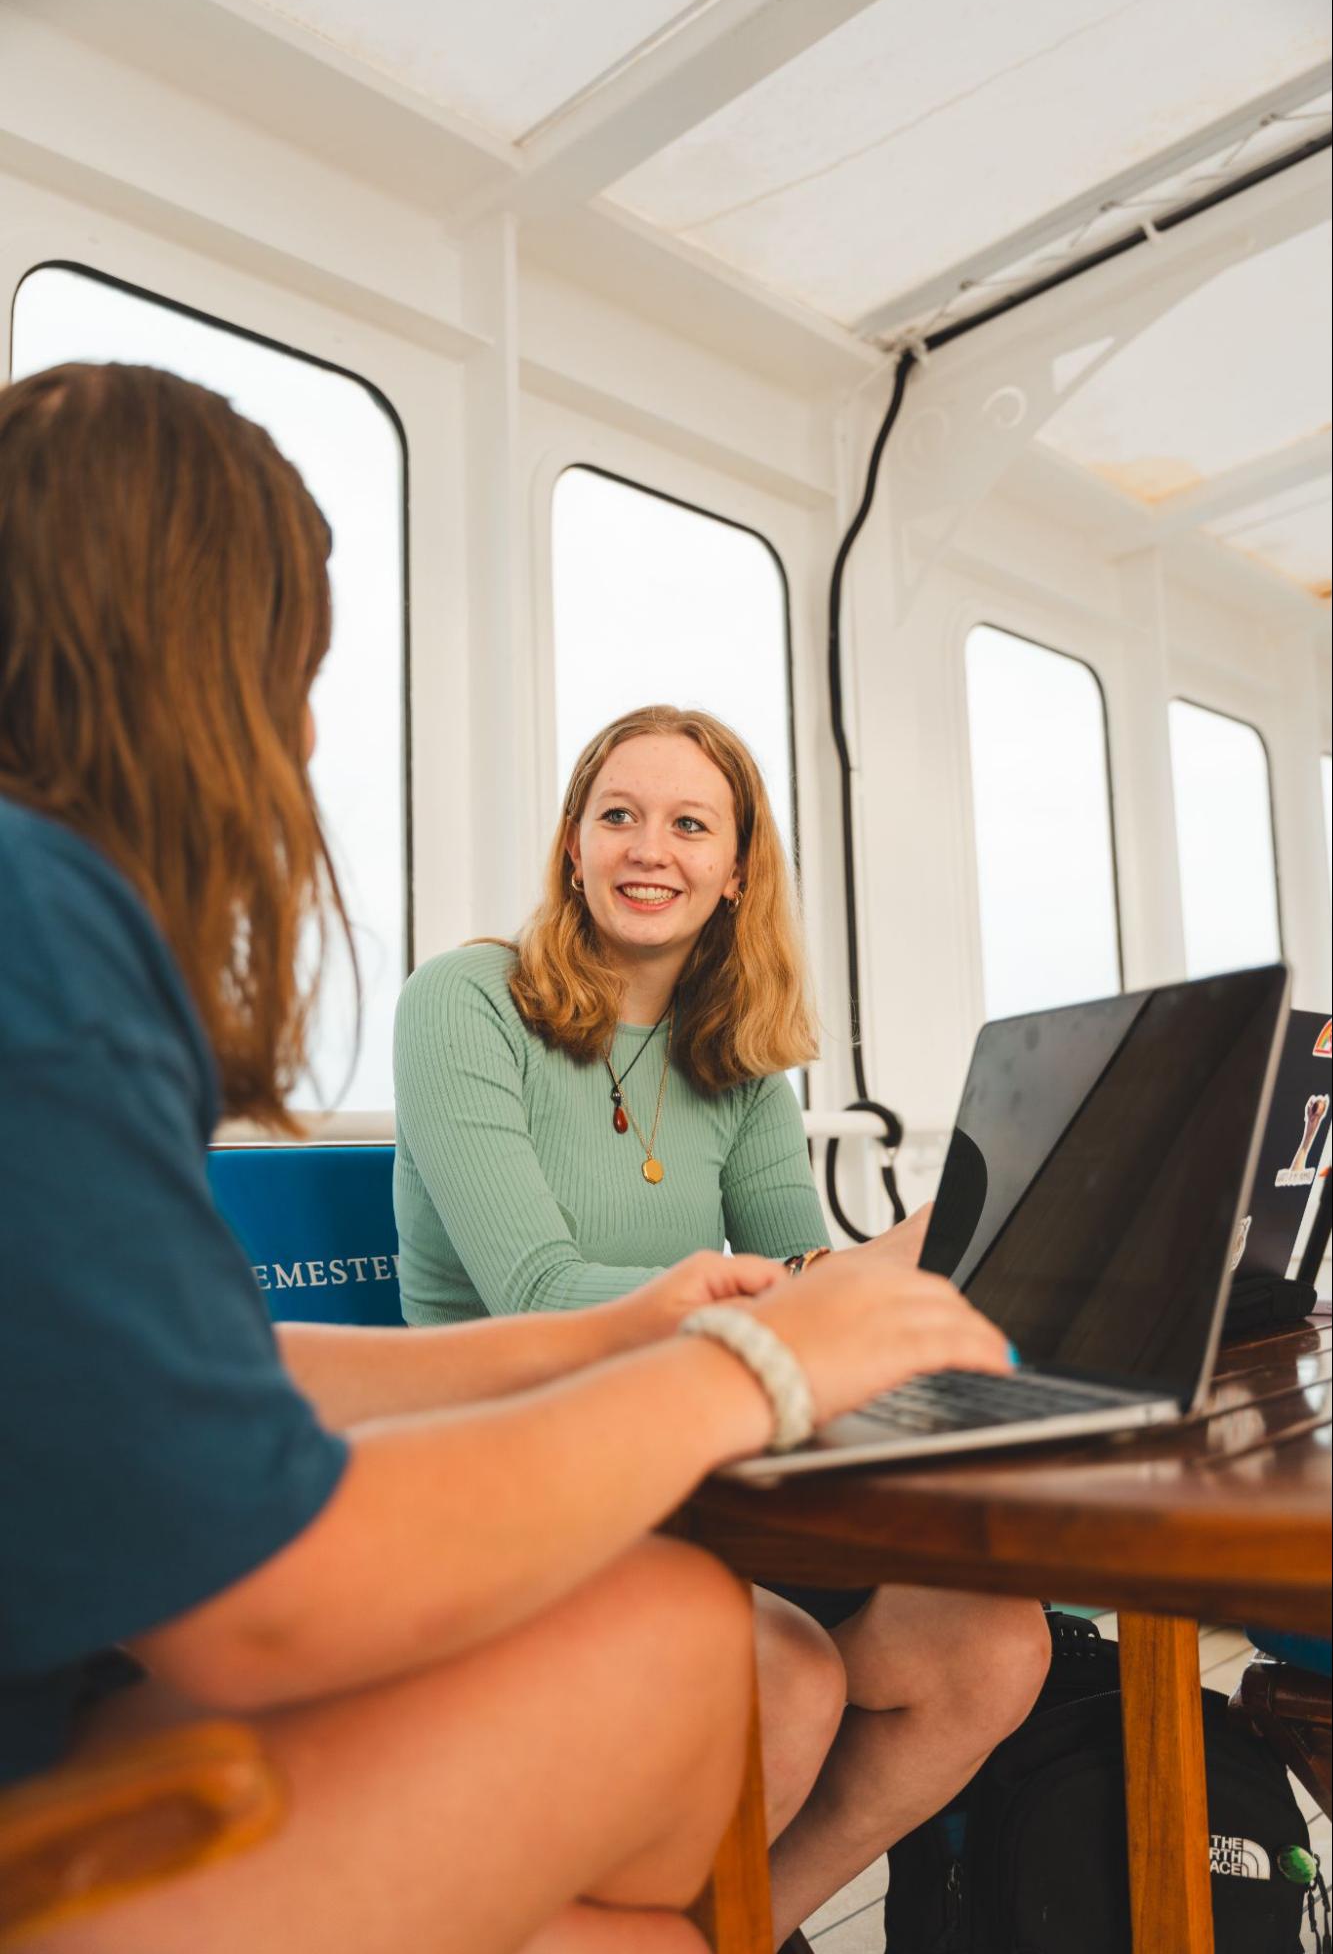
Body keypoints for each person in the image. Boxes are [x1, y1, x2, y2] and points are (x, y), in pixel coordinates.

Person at [0, 364, 1019, 1954]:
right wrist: (744, 1355)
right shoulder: (50, 939)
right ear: (184, 654)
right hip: (56, 1775)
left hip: (69, 1694)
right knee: (695, 1657)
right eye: (291, 666)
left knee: (909, 1681)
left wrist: (657, 1325)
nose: (306, 722)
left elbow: (213, 1373)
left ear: (738, 871)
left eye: (691, 826)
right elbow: (255, 1595)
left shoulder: (43, 929)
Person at [394, 704, 1052, 1942]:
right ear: (574, 845)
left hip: (695, 1468)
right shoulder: (463, 1001)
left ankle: (731, 1930)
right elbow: (535, 1290)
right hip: (516, 1470)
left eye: (691, 824)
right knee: (787, 1677)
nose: (652, 849)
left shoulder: (739, 1059)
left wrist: (901, 1284)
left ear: (736, 868)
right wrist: (821, 1281)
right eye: (619, 816)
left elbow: (801, 1271)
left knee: (992, 1647)